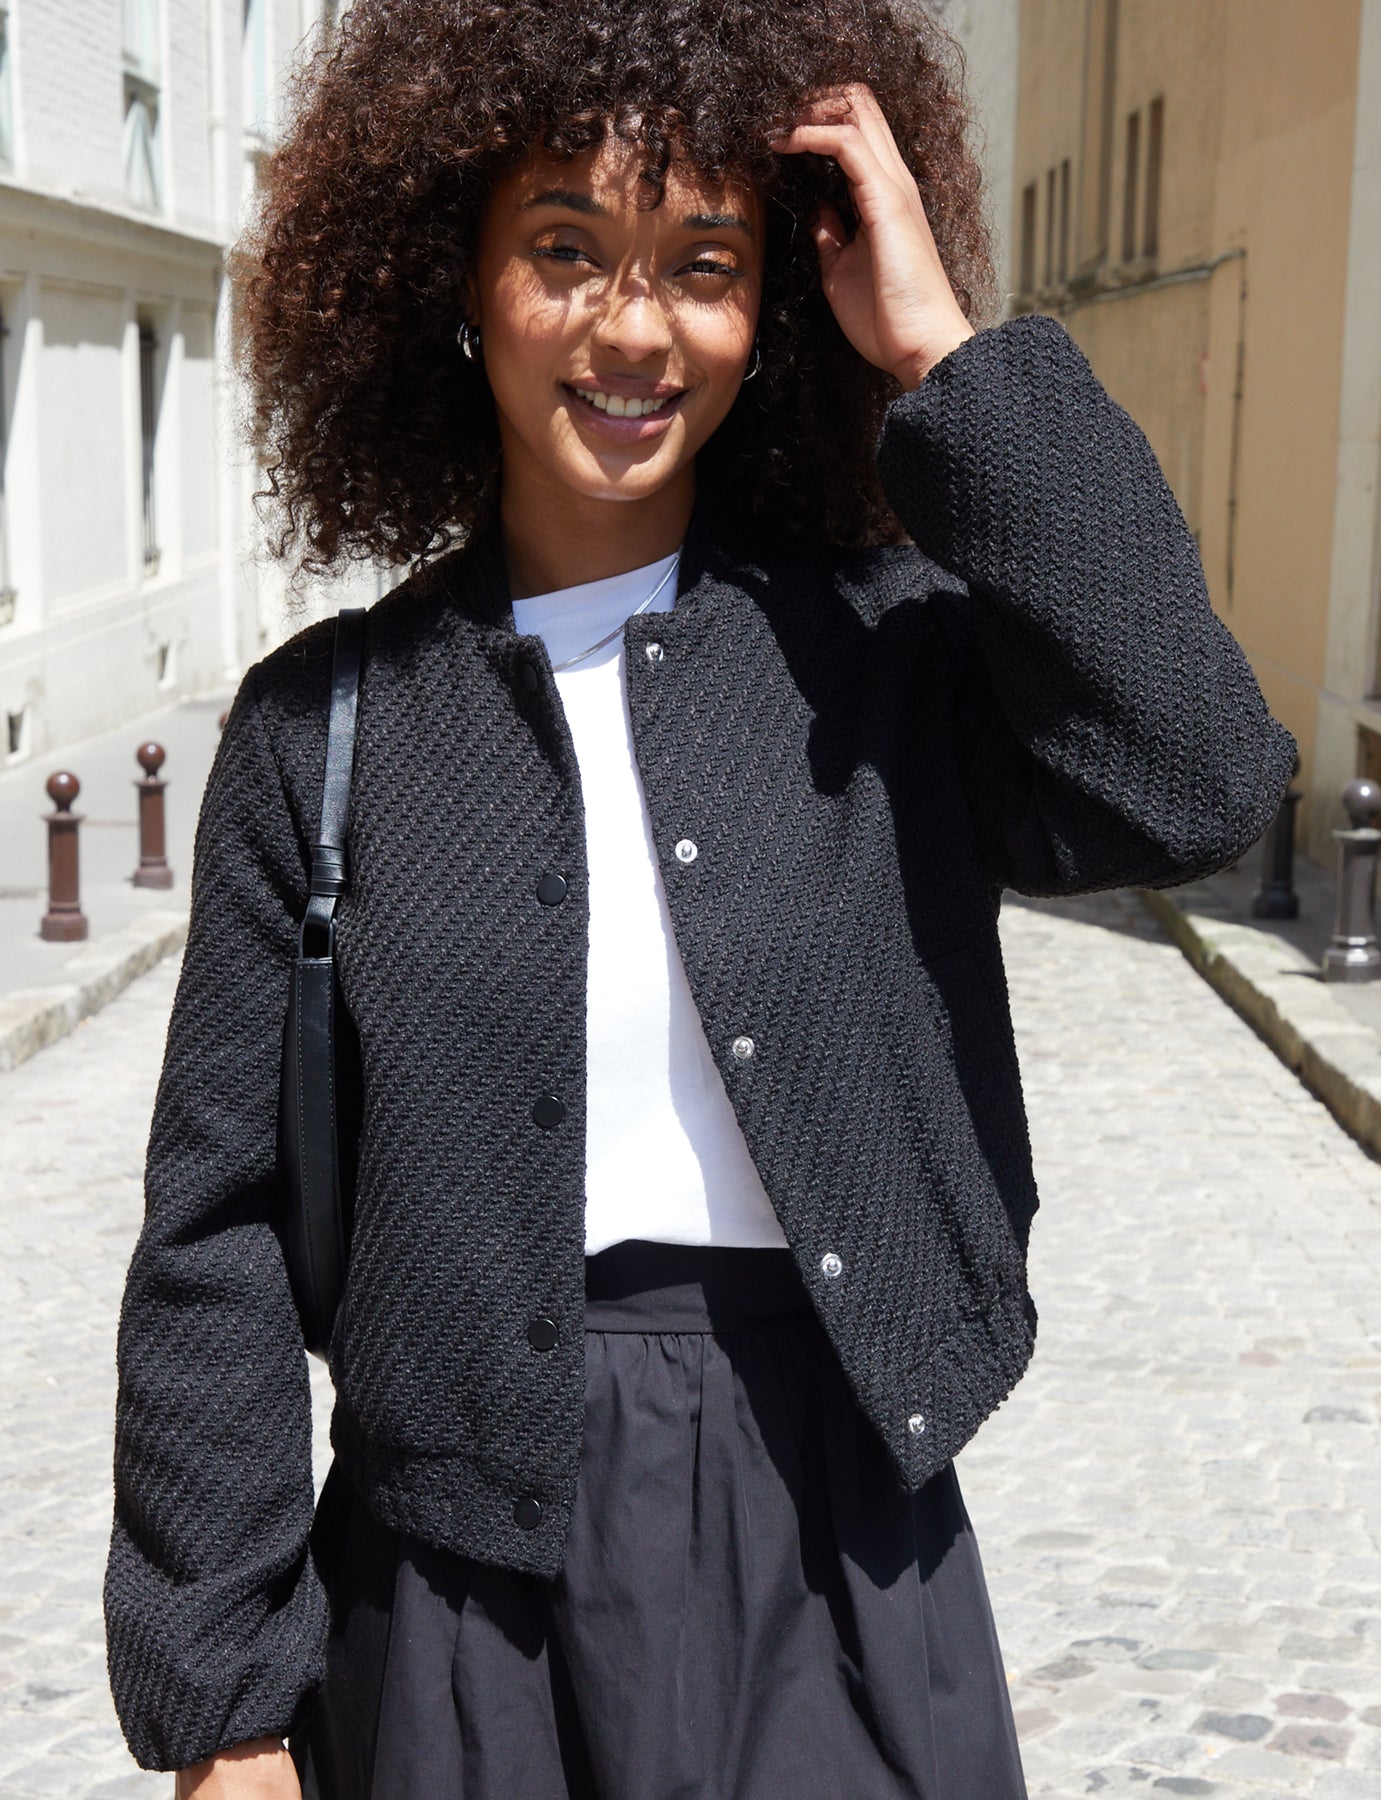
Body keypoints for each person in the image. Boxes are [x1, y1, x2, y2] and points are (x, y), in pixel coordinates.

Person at [103, 0, 1296, 1795]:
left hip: (837, 1549)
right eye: (564, 248)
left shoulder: (884, 659)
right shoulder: (321, 728)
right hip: (449, 1592)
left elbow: (1195, 774)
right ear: (456, 279)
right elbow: (219, 1239)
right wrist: (228, 1716)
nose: (633, 326)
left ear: (771, 310)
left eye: (703, 263)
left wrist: (946, 362)